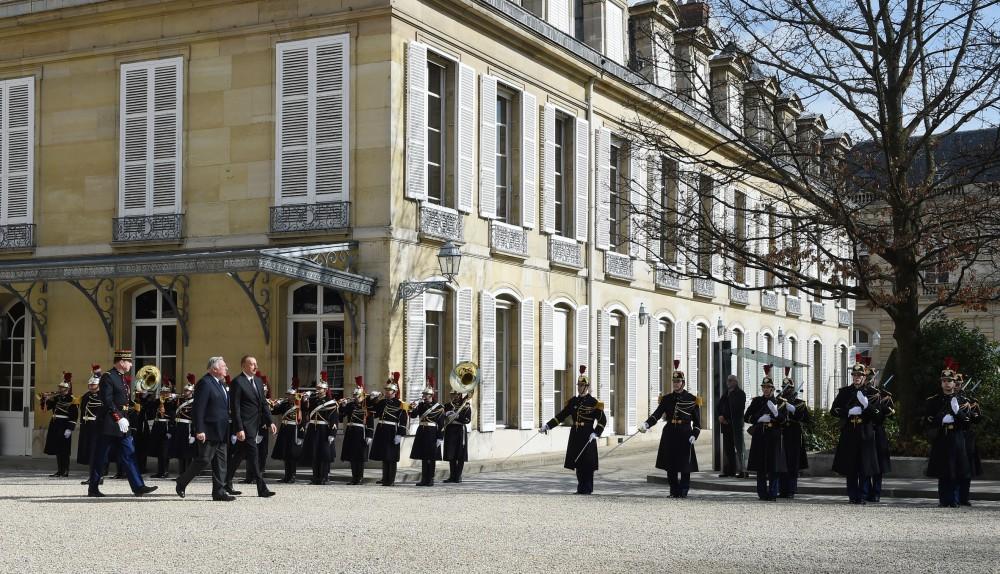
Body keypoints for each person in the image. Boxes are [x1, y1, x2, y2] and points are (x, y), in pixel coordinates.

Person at [86, 350, 157, 497]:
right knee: (101, 457)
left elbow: (122, 400)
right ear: (121, 362)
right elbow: (107, 400)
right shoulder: (108, 377)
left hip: (123, 423)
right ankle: (93, 487)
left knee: (129, 454)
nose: (131, 364)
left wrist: (135, 405)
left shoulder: (122, 378)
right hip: (109, 423)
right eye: (129, 361)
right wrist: (118, 417)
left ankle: (138, 487)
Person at [175, 357, 236, 501]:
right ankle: (182, 481)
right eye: (224, 366)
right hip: (209, 429)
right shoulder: (205, 383)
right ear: (214, 369)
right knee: (203, 459)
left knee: (221, 462)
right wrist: (199, 429)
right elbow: (198, 408)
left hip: (222, 429)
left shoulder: (221, 384)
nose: (226, 368)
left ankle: (219, 492)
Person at [637, 361, 700, 498]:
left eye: (678, 381)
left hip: (685, 433)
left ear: (683, 383)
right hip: (670, 433)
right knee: (670, 465)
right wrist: (646, 425)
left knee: (684, 465)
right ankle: (674, 490)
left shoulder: (692, 399)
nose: (676, 384)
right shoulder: (666, 399)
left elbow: (697, 423)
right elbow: (657, 414)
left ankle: (683, 491)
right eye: (674, 381)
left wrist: (695, 434)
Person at [541, 366, 607, 495]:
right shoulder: (573, 401)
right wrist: (548, 426)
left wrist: (596, 433)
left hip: (588, 434)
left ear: (587, 387)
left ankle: (587, 489)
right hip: (576, 434)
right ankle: (580, 488)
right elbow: (561, 416)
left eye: (582, 385)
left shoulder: (594, 402)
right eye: (578, 385)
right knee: (577, 462)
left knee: (587, 464)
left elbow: (602, 420)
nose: (579, 387)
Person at [223, 356, 276, 497]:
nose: (255, 366)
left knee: (239, 455)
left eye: (256, 364)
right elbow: (236, 408)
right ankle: (261, 487)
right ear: (244, 366)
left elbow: (263, 403)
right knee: (254, 454)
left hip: (256, 424)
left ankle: (226, 482)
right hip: (245, 425)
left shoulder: (258, 381)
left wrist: (270, 421)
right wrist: (239, 428)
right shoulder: (237, 382)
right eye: (252, 364)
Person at [831, 355, 881, 504]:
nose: (857, 377)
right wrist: (848, 412)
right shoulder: (845, 392)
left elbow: (878, 415)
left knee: (865, 466)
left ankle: (863, 494)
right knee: (850, 466)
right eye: (854, 375)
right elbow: (833, 410)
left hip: (865, 432)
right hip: (850, 432)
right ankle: (853, 495)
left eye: (860, 375)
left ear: (864, 377)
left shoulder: (872, 393)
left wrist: (867, 406)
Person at [924, 359, 971, 508]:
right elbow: (927, 420)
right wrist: (940, 419)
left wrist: (957, 413)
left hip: (956, 437)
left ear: (954, 382)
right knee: (943, 470)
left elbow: (967, 422)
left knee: (956, 470)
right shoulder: (934, 401)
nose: (947, 383)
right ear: (941, 383)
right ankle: (944, 500)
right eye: (944, 380)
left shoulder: (962, 400)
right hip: (941, 437)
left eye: (949, 381)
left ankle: (955, 500)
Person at [745, 366, 786, 501]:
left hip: (773, 436)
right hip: (760, 436)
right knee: (760, 467)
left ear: (773, 389)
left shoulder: (779, 402)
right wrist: (758, 418)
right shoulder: (757, 401)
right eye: (764, 387)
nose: (766, 389)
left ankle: (773, 493)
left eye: (768, 387)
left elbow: (784, 420)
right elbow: (747, 417)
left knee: (773, 467)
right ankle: (762, 493)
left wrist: (775, 413)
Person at [369, 372, 408, 487]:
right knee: (384, 455)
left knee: (391, 457)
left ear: (394, 392)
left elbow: (403, 420)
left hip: (392, 431)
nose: (386, 392)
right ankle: (384, 478)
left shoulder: (400, 404)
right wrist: (372, 399)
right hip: (382, 430)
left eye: (389, 390)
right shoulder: (382, 402)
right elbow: (373, 412)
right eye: (386, 390)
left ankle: (390, 479)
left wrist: (400, 434)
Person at [300, 373, 339, 485]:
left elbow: (334, 419)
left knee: (324, 454)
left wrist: (333, 433)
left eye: (320, 388)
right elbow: (305, 410)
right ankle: (315, 476)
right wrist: (304, 399)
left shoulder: (330, 402)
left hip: (324, 430)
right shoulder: (313, 400)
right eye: (317, 388)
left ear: (325, 390)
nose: (318, 390)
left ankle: (323, 476)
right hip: (313, 429)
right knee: (314, 454)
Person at [777, 369, 810, 499]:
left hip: (794, 436)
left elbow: (806, 419)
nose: (786, 391)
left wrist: (794, 410)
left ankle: (791, 489)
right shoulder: (779, 401)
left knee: (792, 463)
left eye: (789, 388)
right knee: (782, 463)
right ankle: (782, 489)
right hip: (782, 435)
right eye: (784, 388)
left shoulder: (799, 403)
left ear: (793, 389)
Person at [864, 364, 893, 503]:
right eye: (867, 378)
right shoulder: (861, 393)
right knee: (864, 463)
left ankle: (876, 492)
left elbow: (890, 414)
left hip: (878, 431)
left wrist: (881, 403)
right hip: (864, 430)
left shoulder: (883, 396)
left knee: (879, 464)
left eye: (871, 378)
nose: (869, 380)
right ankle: (866, 491)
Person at [409, 376, 445, 487]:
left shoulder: (439, 408)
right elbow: (413, 415)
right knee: (424, 457)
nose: (423, 397)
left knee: (431, 457)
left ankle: (431, 478)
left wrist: (440, 437)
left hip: (432, 432)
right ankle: (424, 478)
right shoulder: (421, 405)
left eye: (425, 395)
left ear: (431, 396)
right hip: (422, 432)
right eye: (423, 395)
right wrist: (412, 408)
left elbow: (441, 424)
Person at [43, 372, 78, 477]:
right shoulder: (56, 398)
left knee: (65, 449)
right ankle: (59, 470)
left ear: (67, 389)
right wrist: (45, 399)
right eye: (60, 387)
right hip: (55, 424)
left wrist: (70, 428)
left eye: (62, 388)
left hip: (65, 424)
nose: (60, 389)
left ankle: (66, 470)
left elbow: (74, 415)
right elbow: (46, 408)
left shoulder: (72, 399)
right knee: (57, 448)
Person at [954, 373, 982, 506]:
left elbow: (977, 419)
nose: (957, 387)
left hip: (967, 437)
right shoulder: (950, 399)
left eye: (959, 384)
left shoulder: (969, 400)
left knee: (967, 469)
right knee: (956, 468)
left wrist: (971, 409)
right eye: (956, 384)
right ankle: (956, 497)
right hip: (955, 435)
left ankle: (964, 497)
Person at [339, 376, 372, 485]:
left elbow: (370, 422)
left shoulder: (367, 407)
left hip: (361, 432)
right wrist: (343, 406)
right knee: (352, 456)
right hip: (351, 431)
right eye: (354, 396)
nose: (355, 398)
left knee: (360, 457)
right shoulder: (350, 405)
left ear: (362, 396)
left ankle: (360, 477)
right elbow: (341, 416)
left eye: (357, 396)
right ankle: (354, 477)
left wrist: (369, 435)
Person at [715, 374, 747, 478]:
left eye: (730, 380)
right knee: (728, 450)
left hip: (735, 425)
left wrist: (727, 418)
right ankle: (730, 470)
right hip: (726, 426)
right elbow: (719, 406)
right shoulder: (726, 393)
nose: (728, 382)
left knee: (739, 448)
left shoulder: (740, 394)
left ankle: (743, 471)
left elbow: (738, 409)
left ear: (735, 382)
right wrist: (720, 416)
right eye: (727, 380)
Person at [76, 365, 103, 483]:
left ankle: (98, 476)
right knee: (89, 452)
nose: (91, 387)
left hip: (96, 426)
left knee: (96, 453)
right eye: (90, 385)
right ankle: (93, 476)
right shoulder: (86, 396)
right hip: (86, 426)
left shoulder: (102, 396)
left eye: (93, 385)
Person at [270, 386, 302, 483]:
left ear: (294, 396)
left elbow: (302, 420)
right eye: (288, 395)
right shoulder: (284, 404)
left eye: (291, 395)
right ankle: (286, 476)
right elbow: (274, 412)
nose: (289, 397)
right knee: (286, 454)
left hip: (294, 430)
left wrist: (301, 434)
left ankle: (292, 476)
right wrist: (274, 404)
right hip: (284, 429)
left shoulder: (299, 404)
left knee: (292, 455)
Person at [147, 382, 177, 479]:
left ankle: (165, 471)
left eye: (165, 392)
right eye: (162, 392)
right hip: (157, 426)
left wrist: (165, 413)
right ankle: (160, 471)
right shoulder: (157, 401)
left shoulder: (172, 402)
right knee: (159, 450)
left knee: (165, 451)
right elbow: (149, 408)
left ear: (169, 393)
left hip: (166, 425)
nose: (163, 394)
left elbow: (173, 416)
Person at [442, 389, 472, 483]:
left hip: (460, 431)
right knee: (451, 454)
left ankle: (458, 476)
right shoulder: (447, 406)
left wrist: (458, 416)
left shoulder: (465, 406)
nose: (454, 396)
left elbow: (467, 420)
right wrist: (446, 414)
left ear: (460, 395)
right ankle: (452, 475)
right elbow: (441, 417)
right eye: (452, 394)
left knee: (460, 454)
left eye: (456, 394)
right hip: (450, 430)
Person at [170, 375, 197, 475]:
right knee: (180, 452)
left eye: (187, 391)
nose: (185, 392)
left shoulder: (194, 403)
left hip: (188, 428)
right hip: (179, 427)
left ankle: (187, 474)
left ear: (192, 392)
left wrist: (193, 434)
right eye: (185, 390)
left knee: (188, 453)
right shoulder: (180, 400)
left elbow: (195, 419)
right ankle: (181, 473)